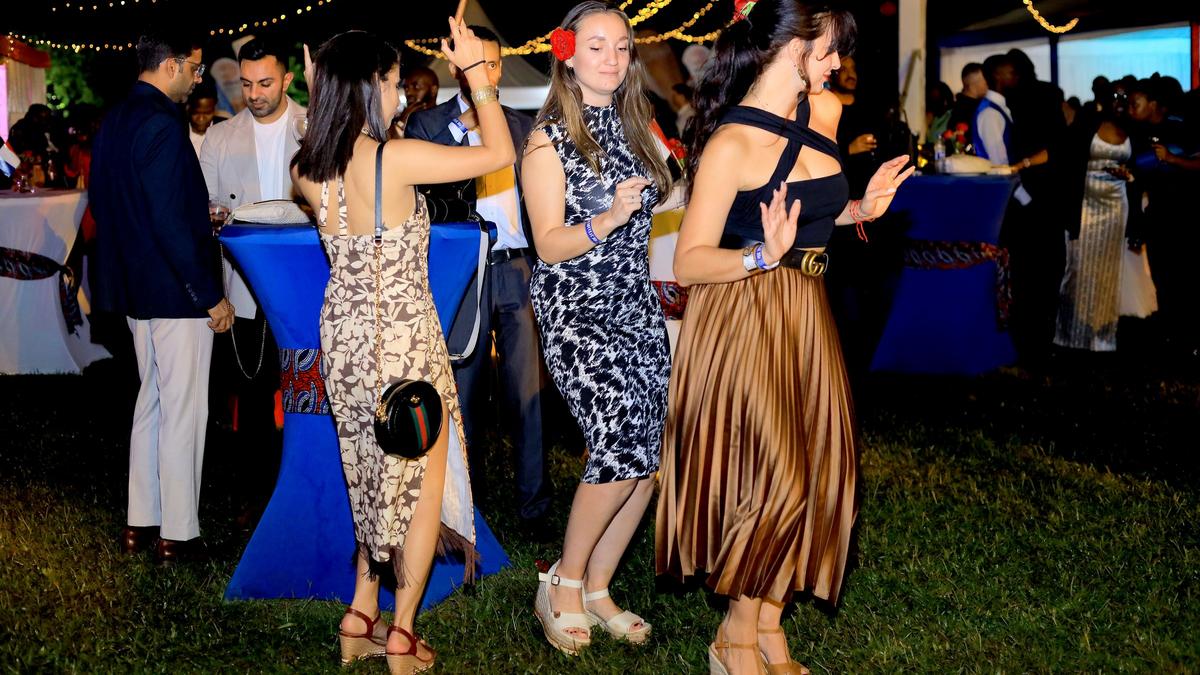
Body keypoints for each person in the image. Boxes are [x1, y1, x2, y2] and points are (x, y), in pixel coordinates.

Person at [655, 1, 912, 673]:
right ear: (789, 47)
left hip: (807, 312)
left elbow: (815, 214)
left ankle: (770, 627)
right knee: (776, 479)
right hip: (744, 315)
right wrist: (760, 256)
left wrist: (860, 208)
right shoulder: (731, 144)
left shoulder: (823, 113)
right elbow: (689, 262)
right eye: (828, 50)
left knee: (820, 470)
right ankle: (733, 638)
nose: (837, 63)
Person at [290, 24, 513, 673]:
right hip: (402, 342)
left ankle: (361, 614)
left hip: (345, 339)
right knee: (419, 487)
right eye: (389, 82)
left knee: (371, 476)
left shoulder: (307, 167)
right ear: (369, 87)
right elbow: (499, 150)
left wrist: (322, 90)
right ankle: (403, 634)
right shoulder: (395, 158)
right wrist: (477, 75)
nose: (396, 94)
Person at [521, 0, 681, 656]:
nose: (612, 58)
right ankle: (562, 581)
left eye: (621, 46)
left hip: (635, 304)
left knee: (646, 455)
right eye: (596, 46)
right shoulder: (547, 140)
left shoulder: (637, 125)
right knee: (617, 440)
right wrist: (608, 219)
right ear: (567, 54)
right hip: (575, 308)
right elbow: (548, 243)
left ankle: (598, 587)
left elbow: (672, 193)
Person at [89, 29, 235, 564]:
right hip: (176, 291)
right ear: (171, 65)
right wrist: (208, 295)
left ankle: (141, 522)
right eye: (194, 69)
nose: (197, 80)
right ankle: (178, 534)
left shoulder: (114, 120)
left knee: (151, 401)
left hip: (136, 289)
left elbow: (105, 206)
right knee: (183, 409)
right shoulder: (162, 123)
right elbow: (171, 221)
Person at [405, 26, 551, 533]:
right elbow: (423, 192)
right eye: (473, 64)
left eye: (490, 64)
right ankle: (465, 508)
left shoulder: (525, 126)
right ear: (455, 68)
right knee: (461, 393)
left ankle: (534, 507)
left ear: (500, 68)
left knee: (527, 395)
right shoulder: (427, 125)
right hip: (461, 269)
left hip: (516, 267)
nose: (482, 73)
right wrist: (463, 131)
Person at [199, 36, 307, 522]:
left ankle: (305, 487)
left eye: (265, 83)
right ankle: (257, 496)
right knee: (252, 391)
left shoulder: (313, 126)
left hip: (304, 283)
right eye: (246, 84)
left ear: (287, 79)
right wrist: (214, 218)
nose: (254, 94)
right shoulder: (221, 136)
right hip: (243, 283)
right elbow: (203, 205)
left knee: (308, 390)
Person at [1054, 86, 1134, 352]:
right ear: (1105, 101)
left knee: (1108, 271)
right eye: (1116, 97)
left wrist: (1129, 173)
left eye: (1125, 98)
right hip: (1086, 204)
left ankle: (1103, 337)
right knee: (1078, 269)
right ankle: (1072, 335)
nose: (1120, 102)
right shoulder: (1087, 124)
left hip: (1116, 205)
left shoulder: (1134, 130)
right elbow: (1063, 155)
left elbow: (1142, 166)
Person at [396, 65, 439, 134]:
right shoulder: (398, 121)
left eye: (416, 86)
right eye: (406, 88)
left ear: (433, 90)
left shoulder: (447, 120)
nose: (408, 92)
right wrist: (401, 123)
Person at [948, 62, 986, 136]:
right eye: (985, 81)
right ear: (973, 84)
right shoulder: (963, 111)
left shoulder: (958, 106)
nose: (989, 84)